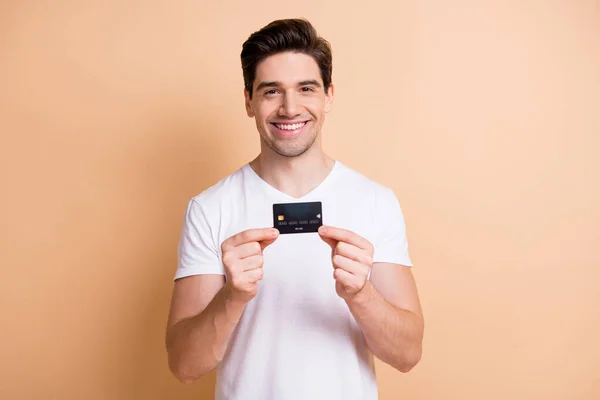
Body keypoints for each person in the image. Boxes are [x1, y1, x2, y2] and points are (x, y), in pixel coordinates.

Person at [165, 18, 424, 400]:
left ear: (329, 96)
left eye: (306, 88)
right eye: (271, 91)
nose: (290, 108)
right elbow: (184, 365)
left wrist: (361, 295)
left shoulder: (375, 201)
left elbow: (407, 355)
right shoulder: (209, 208)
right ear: (248, 101)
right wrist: (232, 296)